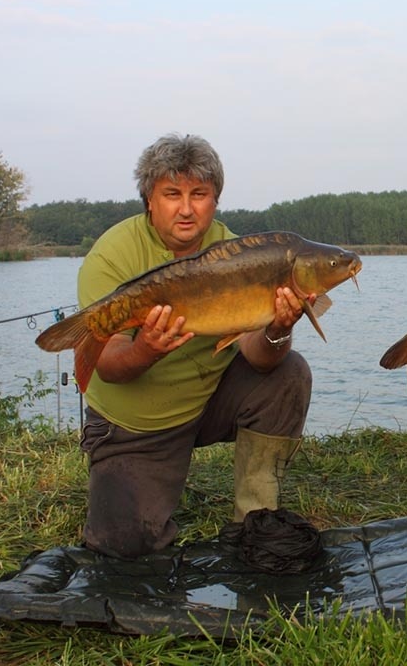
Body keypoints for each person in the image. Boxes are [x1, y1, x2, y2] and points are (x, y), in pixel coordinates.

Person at [77, 133, 313, 558]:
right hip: (137, 425)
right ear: (150, 199)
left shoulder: (239, 253)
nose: (186, 209)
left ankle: (255, 518)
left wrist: (278, 328)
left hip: (206, 404)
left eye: (199, 194)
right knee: (126, 548)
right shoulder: (114, 254)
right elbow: (108, 365)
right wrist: (146, 349)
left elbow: (259, 360)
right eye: (172, 194)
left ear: (215, 200)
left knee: (289, 370)